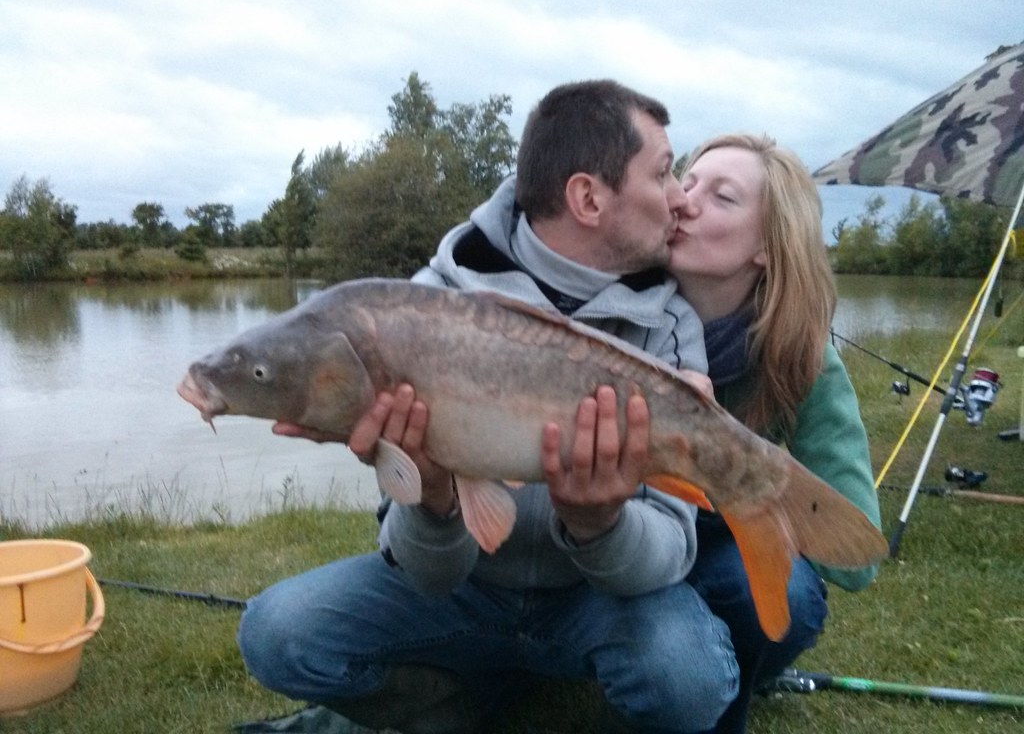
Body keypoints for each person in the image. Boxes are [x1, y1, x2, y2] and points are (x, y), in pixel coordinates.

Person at [237, 80, 738, 734]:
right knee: (278, 633)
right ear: (588, 197)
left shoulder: (669, 324)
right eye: (666, 173)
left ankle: (539, 698)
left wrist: (599, 522)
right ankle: (454, 711)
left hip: (592, 603)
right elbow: (425, 569)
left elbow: (670, 551)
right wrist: (437, 497)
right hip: (459, 598)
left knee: (687, 675)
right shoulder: (419, 310)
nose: (681, 199)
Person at [669, 133, 883, 732]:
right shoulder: (615, 311)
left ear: (767, 245)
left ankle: (720, 678)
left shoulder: (800, 358)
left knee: (785, 592)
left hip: (715, 555)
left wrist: (749, 493)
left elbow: (855, 560)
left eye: (722, 196)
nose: (685, 201)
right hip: (617, 543)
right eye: (685, 183)